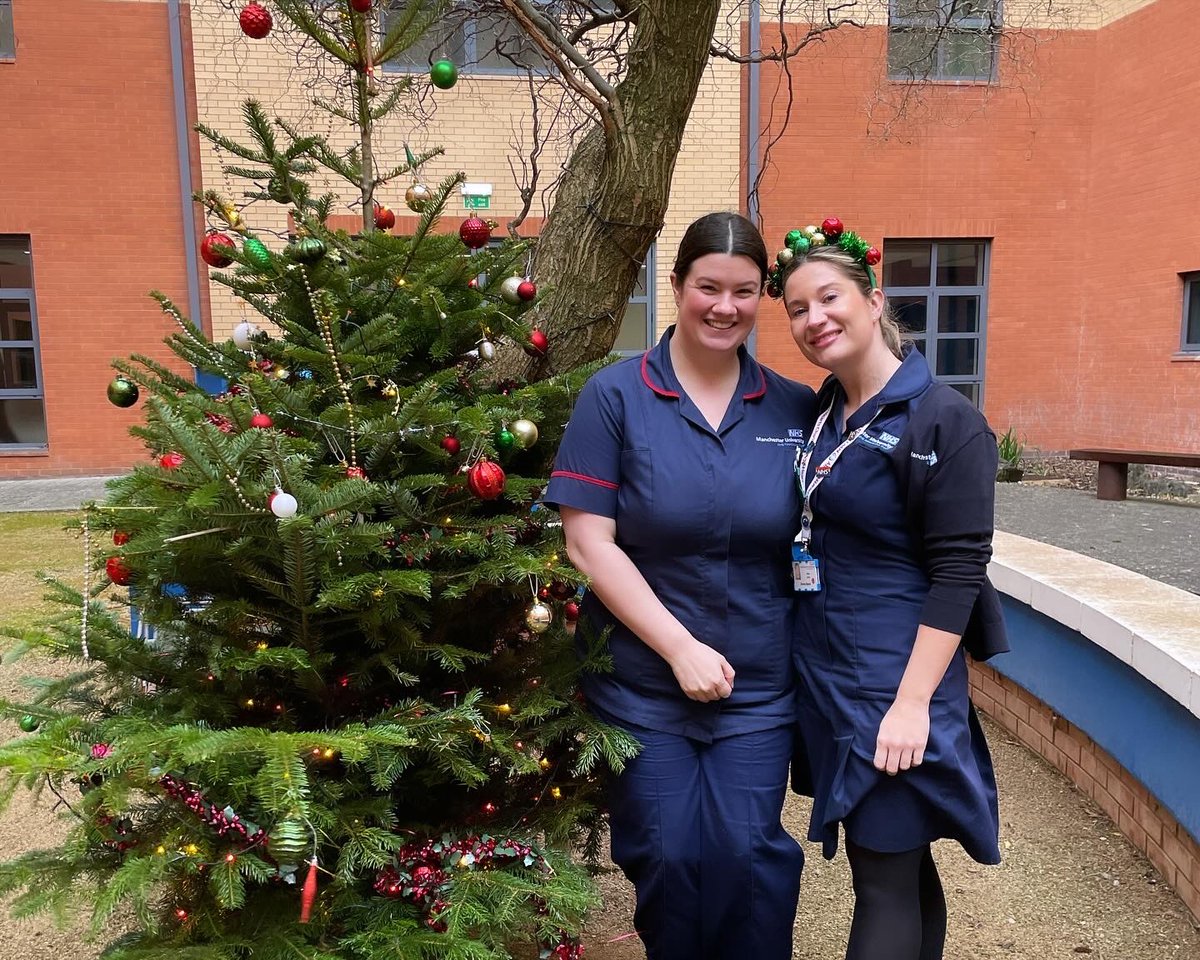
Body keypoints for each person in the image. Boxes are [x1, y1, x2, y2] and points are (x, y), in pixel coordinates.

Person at [543, 212, 816, 960]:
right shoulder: (616, 397)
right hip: (641, 685)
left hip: (758, 688)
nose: (724, 306)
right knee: (666, 855)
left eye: (744, 291)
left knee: (747, 858)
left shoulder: (795, 409)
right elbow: (586, 541)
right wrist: (679, 648)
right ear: (677, 287)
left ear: (761, 297)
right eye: (708, 287)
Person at [771, 220, 1005, 960]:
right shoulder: (822, 413)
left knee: (880, 881)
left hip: (894, 682)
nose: (816, 320)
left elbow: (960, 573)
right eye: (798, 310)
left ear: (874, 300)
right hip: (831, 675)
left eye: (830, 297)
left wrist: (910, 706)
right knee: (899, 862)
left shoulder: (947, 421)